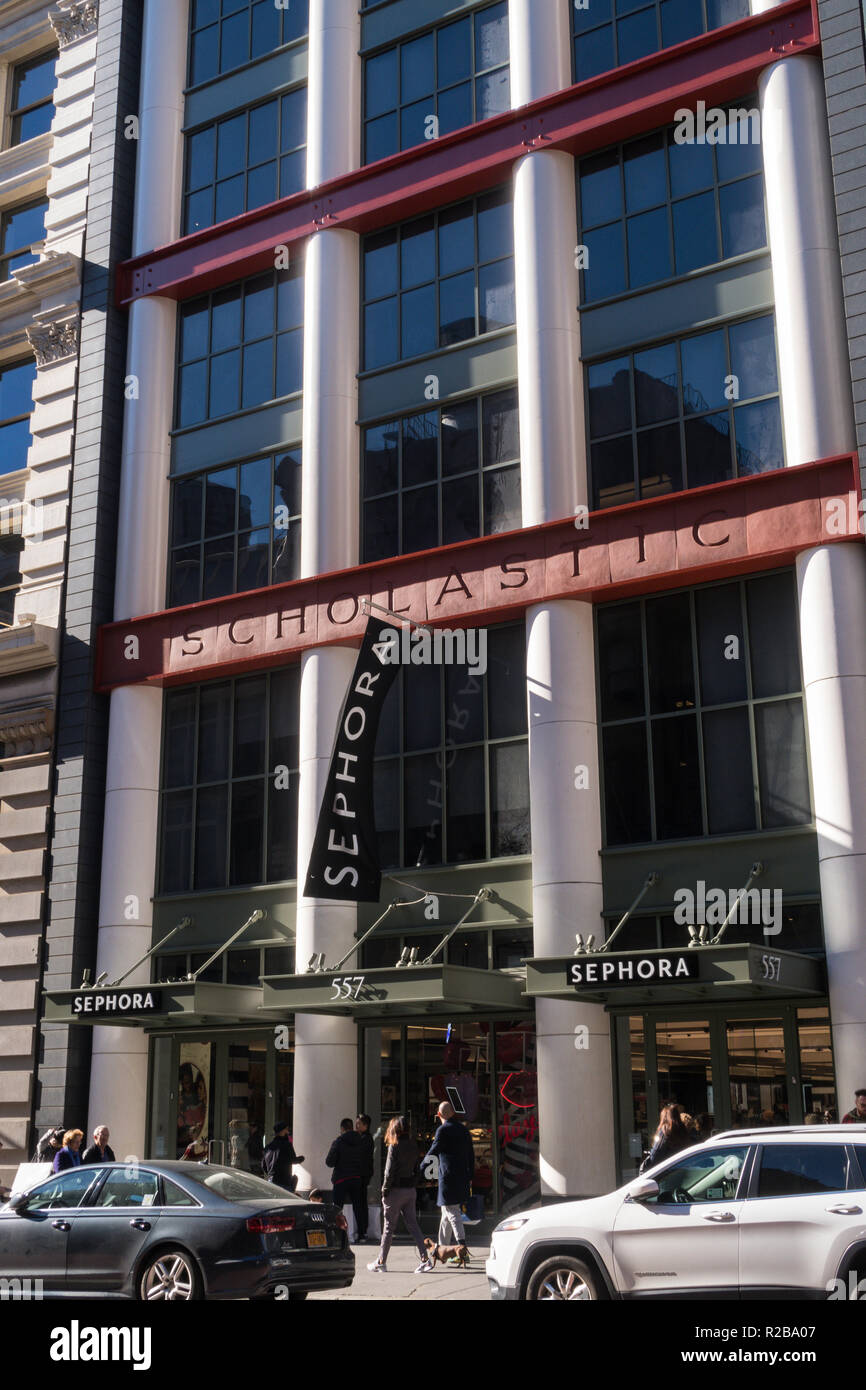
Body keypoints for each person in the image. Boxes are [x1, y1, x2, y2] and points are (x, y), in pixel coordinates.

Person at [367, 1116, 432, 1275]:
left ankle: (381, 1262)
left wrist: (384, 1189)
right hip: (410, 1190)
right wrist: (413, 1183)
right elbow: (418, 1169)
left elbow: (389, 1172)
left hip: (395, 1190)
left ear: (394, 1129)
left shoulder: (393, 1146)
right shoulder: (413, 1145)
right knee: (413, 1225)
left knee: (389, 1228)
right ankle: (425, 1259)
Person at [423, 1101, 475, 1249]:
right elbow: (471, 1154)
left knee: (452, 1212)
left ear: (439, 1115)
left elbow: (433, 1151)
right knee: (446, 1213)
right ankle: (442, 1248)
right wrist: (470, 1175)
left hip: (448, 1178)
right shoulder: (463, 1129)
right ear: (453, 1113)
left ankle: (461, 1246)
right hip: (462, 1176)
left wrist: (421, 1167)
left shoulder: (442, 1130)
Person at [326, 1117, 367, 1240]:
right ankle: (361, 1234)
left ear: (342, 1129)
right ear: (352, 1127)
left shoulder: (338, 1142)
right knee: (358, 1206)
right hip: (356, 1178)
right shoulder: (361, 1141)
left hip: (341, 1178)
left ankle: (336, 1233)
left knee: (337, 1208)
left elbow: (329, 1162)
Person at [640, 1104, 694, 1172]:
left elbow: (655, 1156)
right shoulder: (683, 1131)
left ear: (664, 1117)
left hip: (667, 1172)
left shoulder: (665, 1131)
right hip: (682, 1170)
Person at [262, 1122, 303, 1190]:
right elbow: (293, 1160)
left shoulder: (269, 1146)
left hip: (271, 1180)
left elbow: (263, 1165)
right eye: (286, 1129)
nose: (288, 1131)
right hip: (284, 1181)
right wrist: (301, 1158)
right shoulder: (287, 1145)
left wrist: (270, 1173)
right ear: (283, 1131)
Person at [355, 1114, 374, 1243]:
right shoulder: (362, 1138)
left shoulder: (366, 1139)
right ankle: (362, 1231)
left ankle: (362, 1231)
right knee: (360, 1202)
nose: (357, 1126)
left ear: (365, 1126)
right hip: (362, 1174)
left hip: (362, 1175)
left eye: (359, 1124)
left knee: (360, 1203)